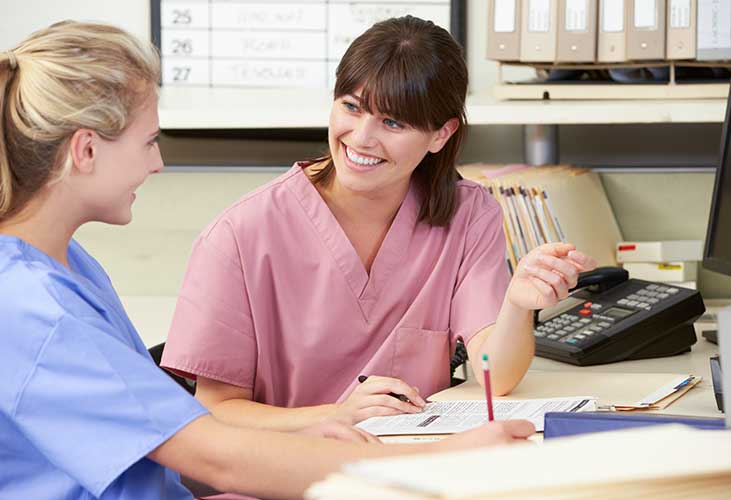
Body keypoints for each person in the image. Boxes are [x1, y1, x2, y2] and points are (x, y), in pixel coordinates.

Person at [0, 21, 536, 500]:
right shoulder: (35, 310)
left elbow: (180, 444)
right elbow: (211, 453)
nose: (159, 163)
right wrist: (436, 460)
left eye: (393, 123)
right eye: (150, 141)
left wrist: (314, 439)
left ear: (441, 134)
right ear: (87, 151)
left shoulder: (66, 265)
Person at [162, 15, 596, 435]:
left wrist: (518, 306)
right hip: (288, 476)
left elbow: (492, 378)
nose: (362, 137)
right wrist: (335, 417)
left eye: (392, 122)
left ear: (441, 134)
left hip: (413, 470)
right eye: (351, 107)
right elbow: (215, 412)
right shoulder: (240, 234)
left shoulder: (468, 216)